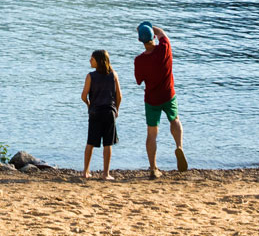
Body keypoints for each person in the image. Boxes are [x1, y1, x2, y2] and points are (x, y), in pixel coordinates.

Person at [133, 21, 187, 178]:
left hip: (152, 99)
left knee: (152, 133)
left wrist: (140, 29)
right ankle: (179, 146)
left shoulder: (139, 60)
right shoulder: (164, 48)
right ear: (154, 37)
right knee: (175, 119)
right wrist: (149, 25)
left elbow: (138, 80)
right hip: (168, 94)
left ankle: (153, 167)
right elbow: (163, 33)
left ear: (140, 41)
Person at [80, 49, 122, 180]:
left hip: (95, 112)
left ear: (98, 61)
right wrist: (117, 110)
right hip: (109, 111)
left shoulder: (90, 76)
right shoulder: (113, 75)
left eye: (92, 59)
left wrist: (89, 105)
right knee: (108, 144)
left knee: (90, 142)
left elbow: (83, 96)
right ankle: (106, 173)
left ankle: (86, 172)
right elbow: (119, 96)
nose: (89, 61)